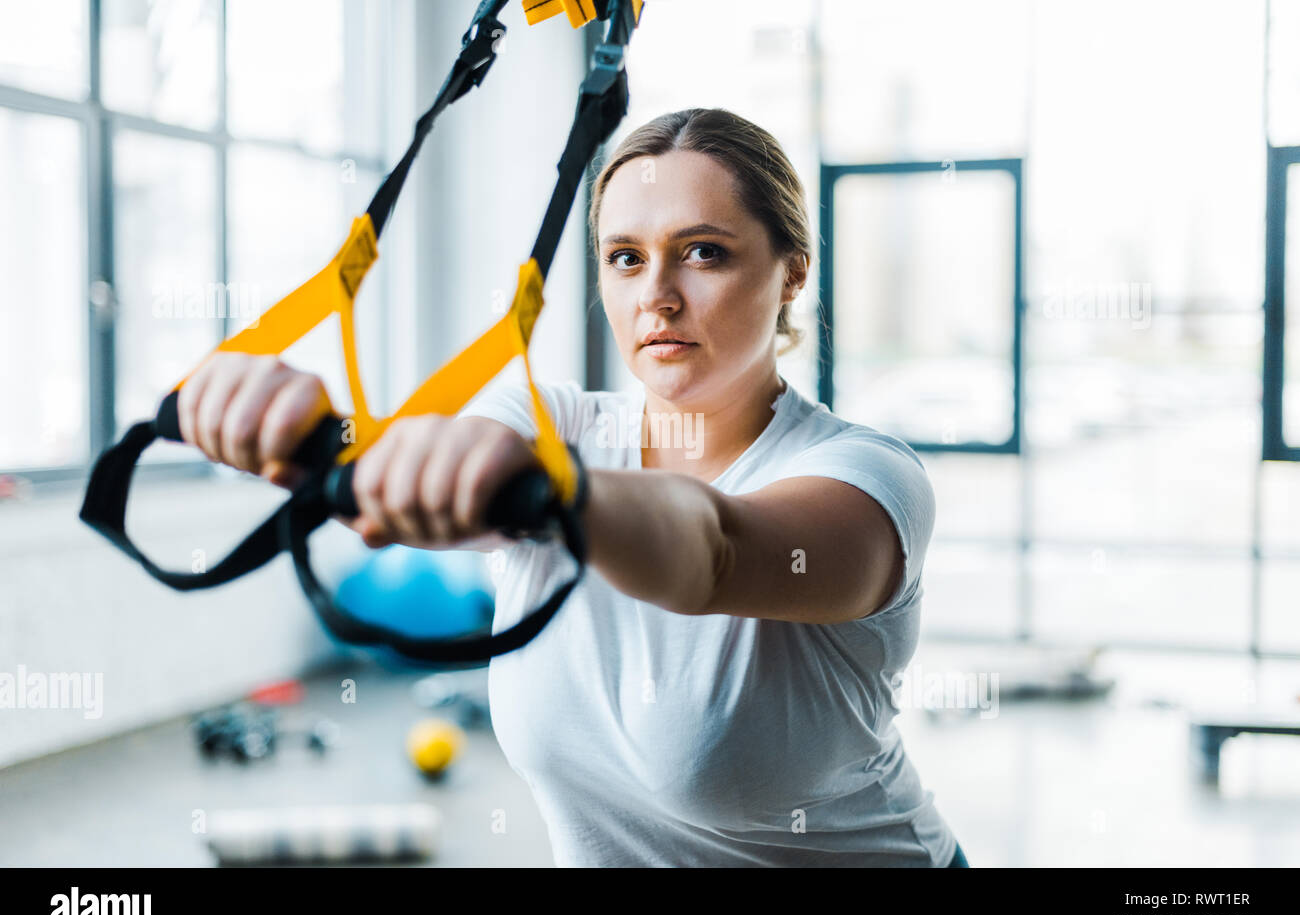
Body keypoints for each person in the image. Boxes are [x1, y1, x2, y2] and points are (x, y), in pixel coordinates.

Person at [176, 107, 967, 868]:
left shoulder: (867, 478)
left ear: (791, 272)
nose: (656, 292)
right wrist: (315, 436)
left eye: (702, 252)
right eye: (625, 256)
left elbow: (715, 551)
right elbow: (422, 468)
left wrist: (549, 494)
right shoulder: (548, 419)